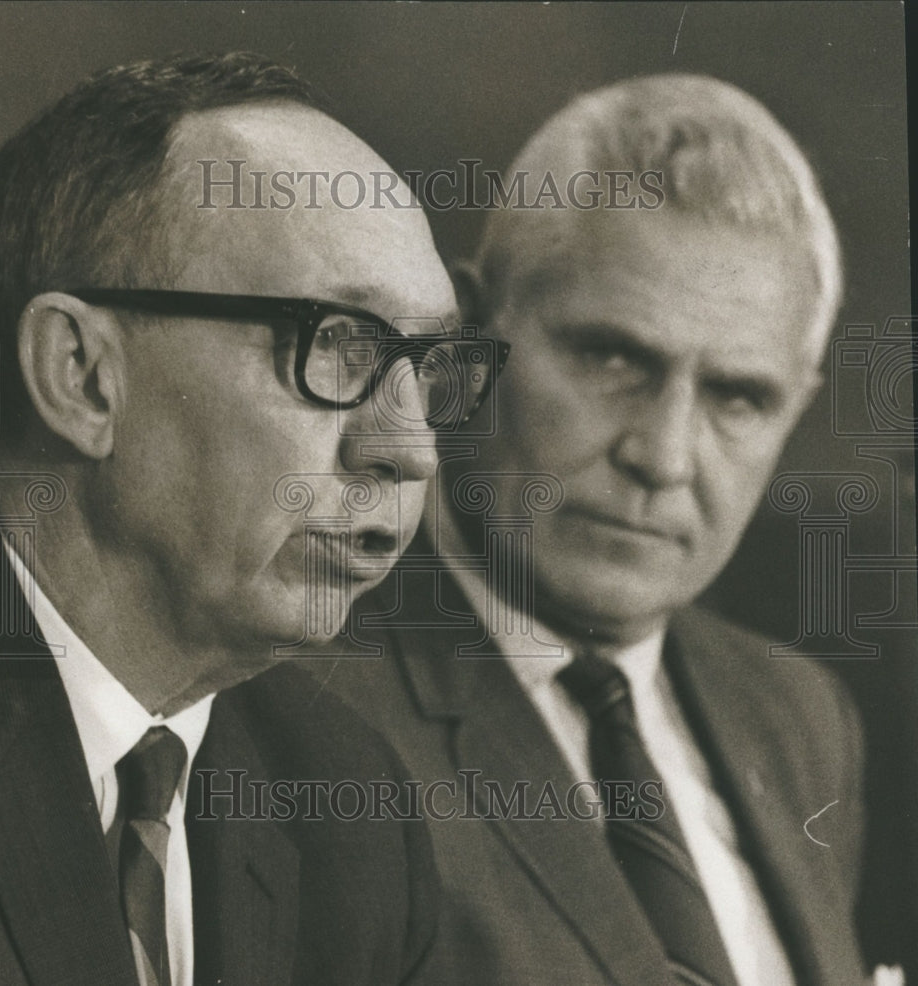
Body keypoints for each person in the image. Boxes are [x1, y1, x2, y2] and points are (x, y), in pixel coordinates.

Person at [0, 51, 503, 986]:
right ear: (81, 375)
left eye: (430, 370)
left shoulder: (346, 805)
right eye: (339, 346)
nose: (412, 450)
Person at [328, 74, 871, 985]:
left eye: (739, 397)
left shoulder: (802, 719)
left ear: (795, 410)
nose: (662, 457)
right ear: (466, 338)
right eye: (612, 358)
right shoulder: (305, 708)